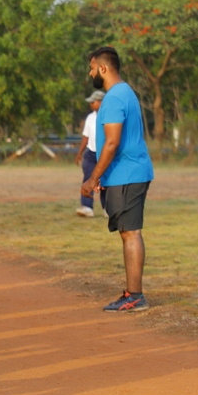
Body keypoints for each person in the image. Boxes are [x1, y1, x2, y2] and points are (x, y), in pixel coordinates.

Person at [81, 46, 154, 312]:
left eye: (91, 68)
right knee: (127, 232)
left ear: (103, 68)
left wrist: (92, 178)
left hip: (128, 175)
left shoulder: (113, 98)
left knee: (130, 233)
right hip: (125, 174)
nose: (90, 73)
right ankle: (133, 293)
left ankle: (135, 296)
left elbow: (111, 143)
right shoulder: (126, 92)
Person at [75, 90, 105, 218]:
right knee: (88, 178)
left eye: (93, 102)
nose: (91, 104)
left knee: (106, 181)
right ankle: (87, 206)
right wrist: (80, 153)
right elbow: (85, 137)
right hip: (91, 153)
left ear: (101, 102)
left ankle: (108, 208)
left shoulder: (110, 117)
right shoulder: (90, 117)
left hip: (104, 154)